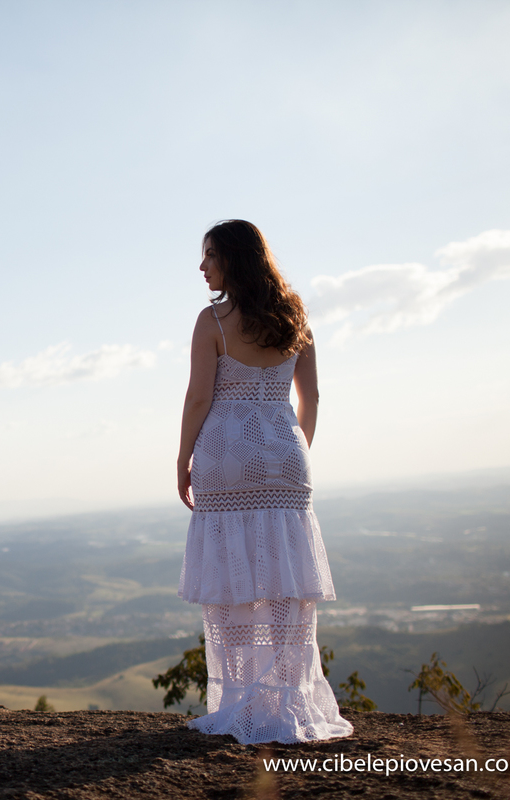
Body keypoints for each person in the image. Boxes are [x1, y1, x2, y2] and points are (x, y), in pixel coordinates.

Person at [175, 220, 352, 744]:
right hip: (285, 450)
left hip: (225, 455)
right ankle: (290, 702)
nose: (201, 266)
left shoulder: (213, 321)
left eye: (208, 255)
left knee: (232, 583)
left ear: (232, 259)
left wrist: (183, 458)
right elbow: (312, 398)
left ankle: (239, 704)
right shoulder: (294, 314)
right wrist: (293, 449)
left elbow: (198, 398)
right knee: (286, 582)